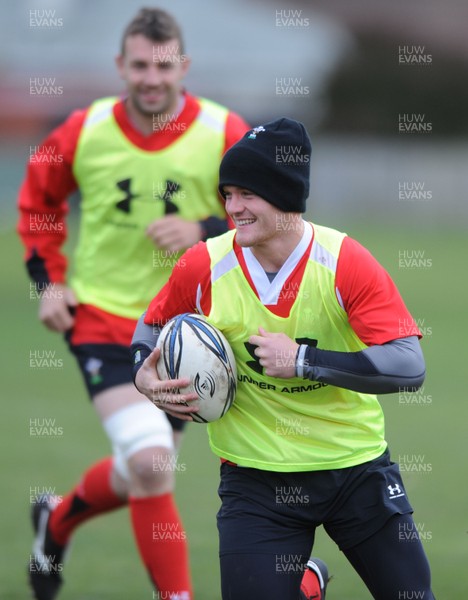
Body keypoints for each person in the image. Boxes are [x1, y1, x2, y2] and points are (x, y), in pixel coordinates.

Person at [131, 118, 436, 600]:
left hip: (353, 469)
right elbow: (151, 325)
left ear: (285, 194)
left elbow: (408, 364)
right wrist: (142, 374)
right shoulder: (204, 264)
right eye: (227, 194)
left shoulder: (344, 261)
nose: (232, 208)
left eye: (247, 194)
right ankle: (306, 586)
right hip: (255, 481)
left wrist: (303, 360)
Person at [17, 7, 251, 600]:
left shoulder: (225, 131)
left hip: (186, 333)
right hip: (99, 319)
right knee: (151, 464)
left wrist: (202, 226)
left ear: (184, 66)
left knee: (139, 468)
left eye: (164, 66)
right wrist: (49, 282)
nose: (152, 78)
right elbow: (39, 203)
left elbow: (268, 215)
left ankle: (57, 519)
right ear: (120, 66)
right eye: (140, 65)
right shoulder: (82, 130)